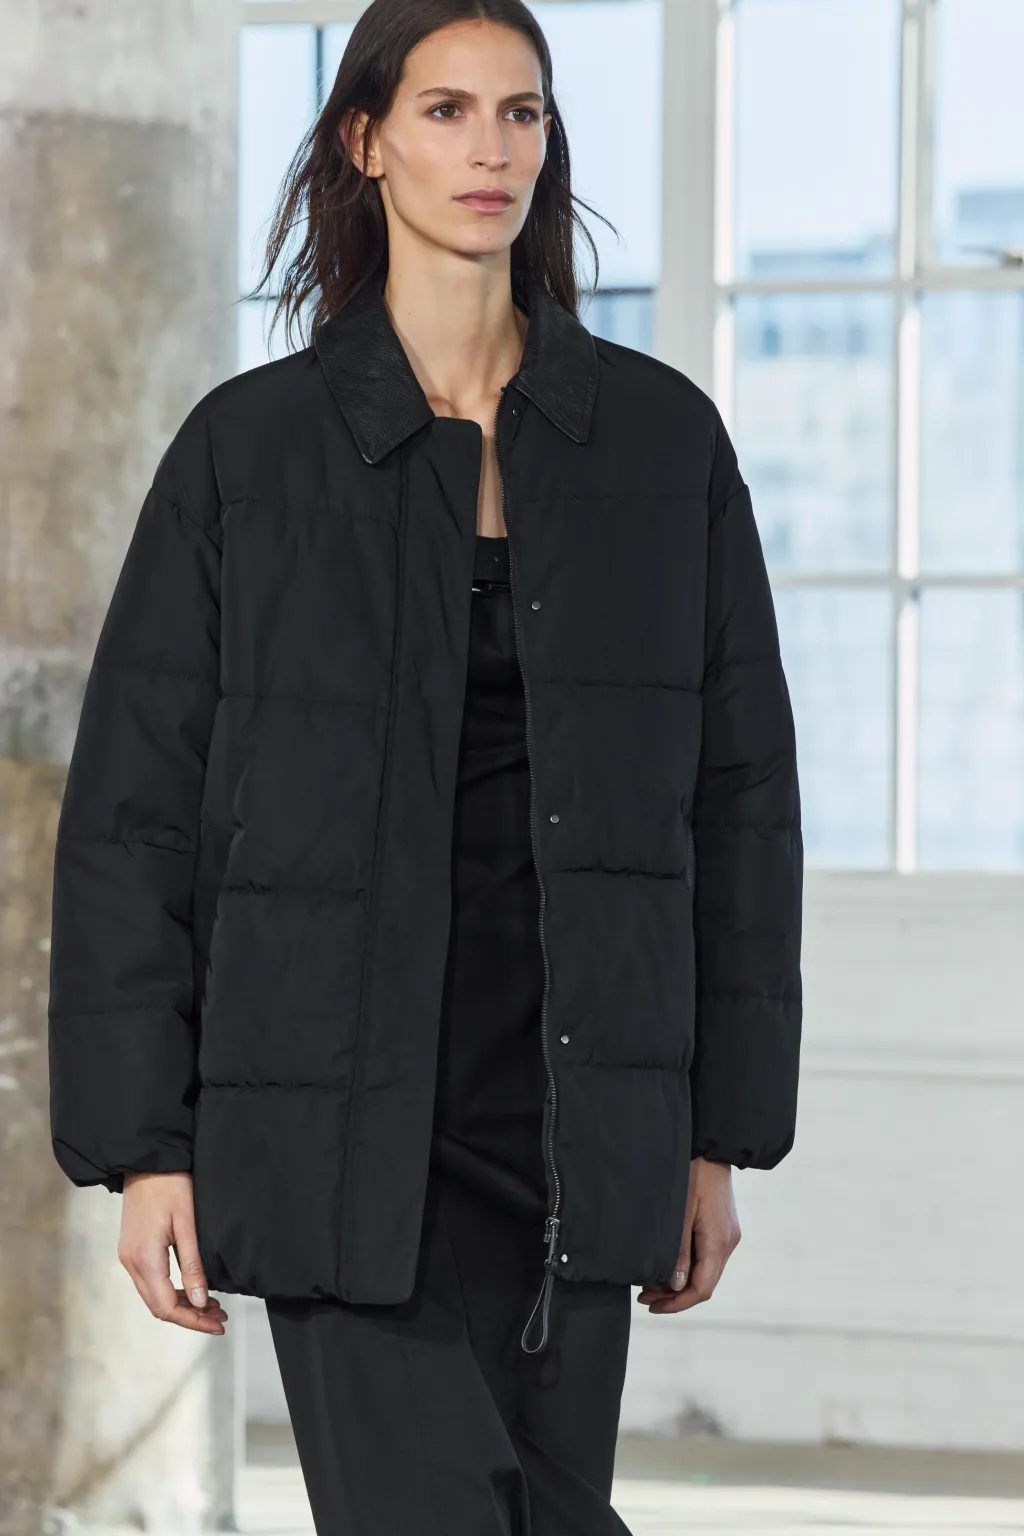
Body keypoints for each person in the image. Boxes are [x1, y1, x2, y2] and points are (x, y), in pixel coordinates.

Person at [46, 0, 804, 1531]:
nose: (490, 148)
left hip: (578, 1125)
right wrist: (144, 1150)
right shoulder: (249, 455)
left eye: (521, 112)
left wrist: (717, 1135)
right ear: (367, 141)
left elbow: (741, 812)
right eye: (447, 110)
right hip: (336, 1125)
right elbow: (134, 816)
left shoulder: (662, 449)